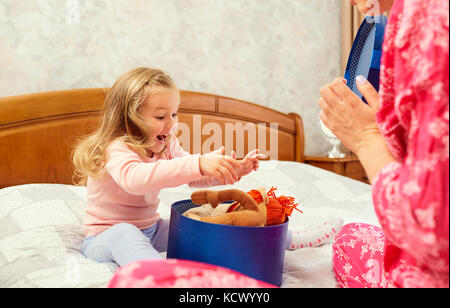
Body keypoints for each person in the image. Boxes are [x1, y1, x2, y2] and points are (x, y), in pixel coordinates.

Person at [72, 67, 265, 267]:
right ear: (129, 118)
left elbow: (193, 176)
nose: (172, 123)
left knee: (195, 227)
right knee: (125, 232)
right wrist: (198, 163)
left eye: (174, 114)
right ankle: (163, 276)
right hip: (105, 237)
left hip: (152, 230)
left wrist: (229, 170)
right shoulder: (116, 148)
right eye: (161, 117)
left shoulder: (167, 144)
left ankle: (278, 239)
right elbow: (135, 180)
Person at [319, 0, 449, 287]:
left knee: (347, 241)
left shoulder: (426, 16)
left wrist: (366, 139)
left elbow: (432, 228)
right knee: (350, 236)